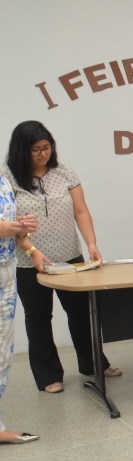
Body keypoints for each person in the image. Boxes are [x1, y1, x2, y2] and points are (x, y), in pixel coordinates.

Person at [4, 121, 118, 394]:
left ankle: (93, 364)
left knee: (81, 312)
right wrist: (32, 251)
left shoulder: (64, 171)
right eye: (36, 150)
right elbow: (8, 224)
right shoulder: (6, 177)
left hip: (70, 257)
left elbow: (81, 210)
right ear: (21, 150)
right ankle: (48, 376)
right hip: (29, 261)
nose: (43, 154)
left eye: (47, 147)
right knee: (38, 317)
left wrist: (91, 244)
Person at [0, 170, 39, 445]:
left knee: (2, 350)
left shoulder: (3, 179)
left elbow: (11, 233)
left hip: (6, 272)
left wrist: (20, 230)